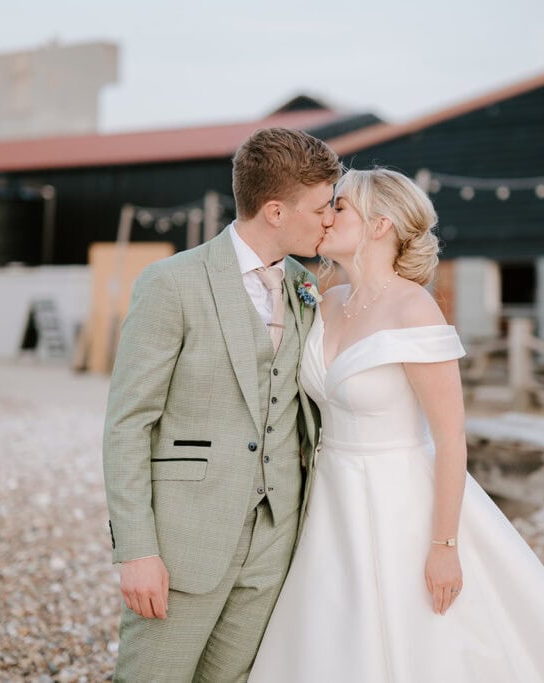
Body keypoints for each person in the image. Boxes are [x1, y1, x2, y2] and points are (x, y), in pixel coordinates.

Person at [249, 168, 544, 682]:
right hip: (330, 500)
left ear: (379, 226)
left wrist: (444, 547)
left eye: (339, 208)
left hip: (401, 501)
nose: (325, 218)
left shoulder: (414, 309)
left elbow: (449, 438)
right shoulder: (327, 301)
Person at [102, 127, 340, 682]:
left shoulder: (308, 287)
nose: (330, 217)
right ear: (276, 211)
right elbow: (128, 423)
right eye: (321, 207)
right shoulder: (172, 282)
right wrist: (136, 549)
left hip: (277, 540)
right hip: (186, 539)